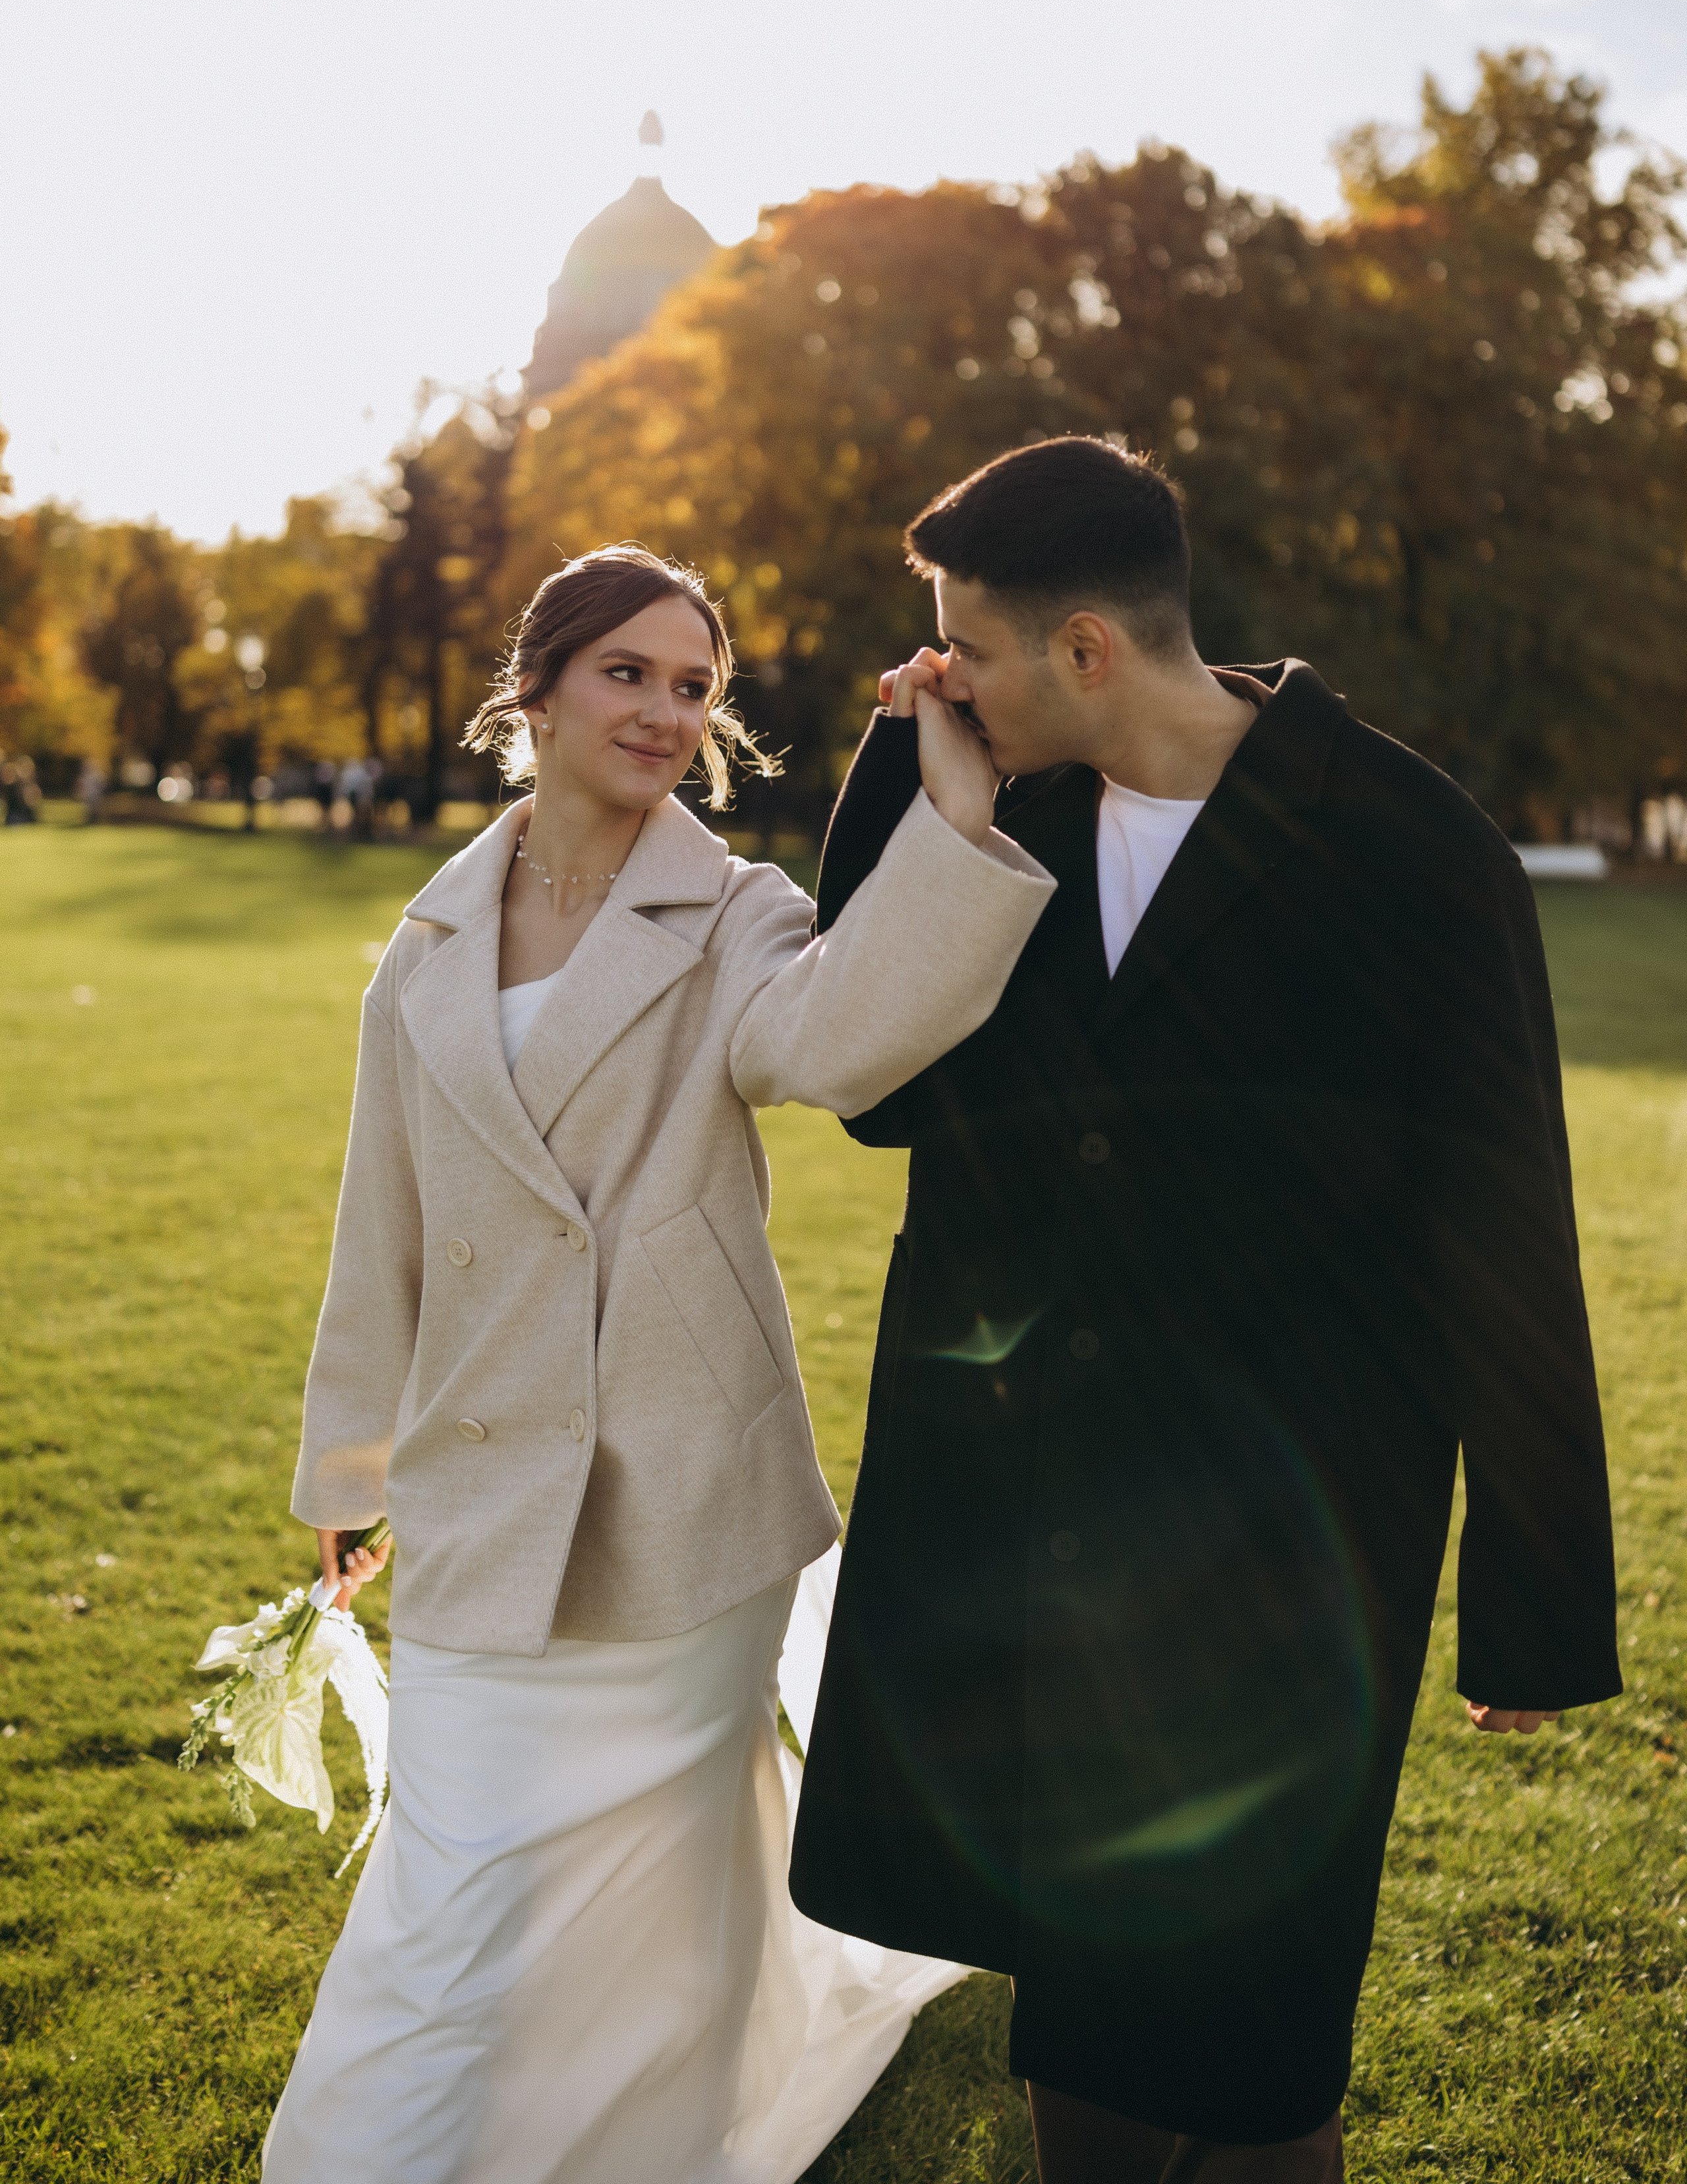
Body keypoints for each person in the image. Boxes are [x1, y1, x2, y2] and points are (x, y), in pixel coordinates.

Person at [789, 438, 1622, 2184]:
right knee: (1079, 2003)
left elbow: (1507, 1229)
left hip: (1286, 1551)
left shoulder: (1412, 848)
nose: (939, 677)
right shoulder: (996, 810)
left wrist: (1532, 1607)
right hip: (1024, 1513)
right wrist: (906, 778)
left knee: (1251, 2045)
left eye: (966, 650)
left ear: (1087, 648)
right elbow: (873, 1085)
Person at [263, 542, 1054, 2184]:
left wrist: (954, 814)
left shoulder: (736, 912)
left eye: (694, 686)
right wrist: (348, 1468)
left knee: (671, 1894)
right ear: (537, 689)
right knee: (448, 1889)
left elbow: (828, 1042)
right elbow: (380, 1220)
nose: (665, 709)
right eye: (627, 671)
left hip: (686, 1486)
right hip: (484, 1486)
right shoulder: (425, 942)